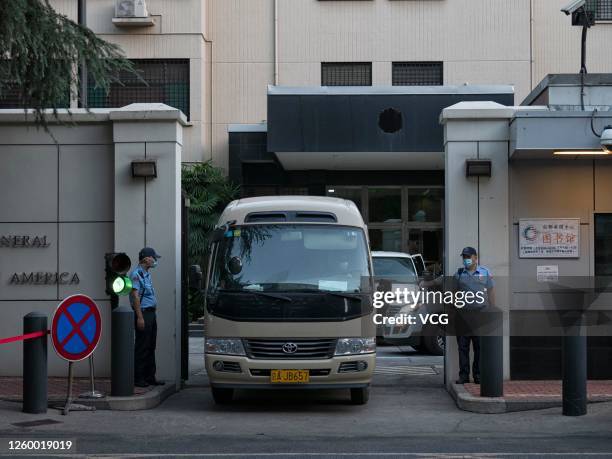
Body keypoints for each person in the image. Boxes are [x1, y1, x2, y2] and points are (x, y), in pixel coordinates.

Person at [453, 246, 494, 385]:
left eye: (468, 257)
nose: (466, 260)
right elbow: (454, 294)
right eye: (464, 257)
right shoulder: (458, 274)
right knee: (463, 347)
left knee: (480, 347)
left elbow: (491, 291)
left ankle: (478, 375)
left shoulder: (485, 272)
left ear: (475, 258)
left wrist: (492, 309)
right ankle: (464, 376)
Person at [129, 247, 165, 388]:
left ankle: (150, 377)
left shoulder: (146, 274)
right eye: (153, 257)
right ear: (145, 258)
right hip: (143, 313)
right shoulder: (136, 274)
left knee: (151, 346)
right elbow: (135, 297)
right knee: (142, 346)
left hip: (151, 313)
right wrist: (140, 318)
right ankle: (138, 378)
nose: (155, 260)